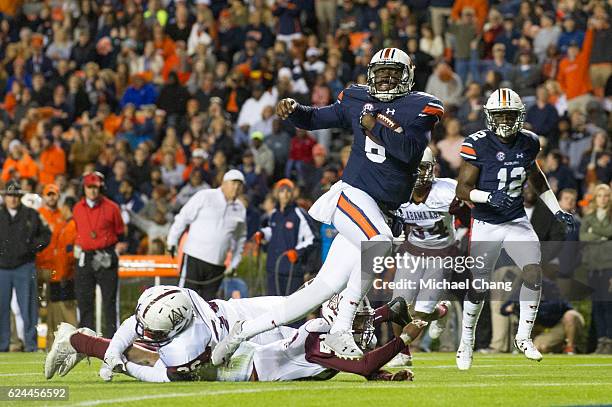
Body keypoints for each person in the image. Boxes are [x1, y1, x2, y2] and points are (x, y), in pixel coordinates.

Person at [212, 48, 444, 364]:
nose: (387, 80)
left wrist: (373, 125)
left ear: (408, 76)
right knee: (378, 244)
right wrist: (294, 111)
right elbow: (316, 118)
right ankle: (342, 327)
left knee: (321, 289)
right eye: (382, 73)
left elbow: (408, 151)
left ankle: (242, 331)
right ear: (371, 75)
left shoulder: (420, 106)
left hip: (379, 210)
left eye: (394, 74)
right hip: (353, 195)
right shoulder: (357, 99)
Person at [45, 285, 420, 383]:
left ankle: (83, 341)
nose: (360, 324)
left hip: (241, 336)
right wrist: (403, 339)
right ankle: (78, 340)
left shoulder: (187, 302)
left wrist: (381, 364)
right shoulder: (179, 326)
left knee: (143, 354)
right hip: (234, 361)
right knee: (144, 362)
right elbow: (358, 359)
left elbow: (353, 356)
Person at [454, 88, 576, 370]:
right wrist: (487, 197)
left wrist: (557, 209)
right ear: (490, 116)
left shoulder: (529, 142)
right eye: (501, 115)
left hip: (515, 219)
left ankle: (523, 336)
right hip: (486, 222)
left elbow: (538, 179)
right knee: (478, 286)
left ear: (520, 116)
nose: (506, 121)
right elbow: (462, 188)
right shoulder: (478, 144)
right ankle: (466, 339)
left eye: (511, 115)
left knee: (533, 269)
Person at [388, 148, 468, 367]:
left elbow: (472, 217)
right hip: (412, 251)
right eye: (414, 167)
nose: (419, 173)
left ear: (432, 168)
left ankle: (439, 312)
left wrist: (463, 212)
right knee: (397, 307)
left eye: (423, 167)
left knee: (420, 313)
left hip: (441, 255)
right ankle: (402, 353)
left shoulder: (448, 190)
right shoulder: (397, 192)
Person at [166, 170, 247, 300]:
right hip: (194, 258)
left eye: (240, 185)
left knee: (209, 306)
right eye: (233, 183)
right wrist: (172, 240)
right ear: (224, 183)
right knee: (185, 300)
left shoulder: (240, 209)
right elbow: (183, 217)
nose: (236, 188)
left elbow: (240, 239)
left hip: (218, 265)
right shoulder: (205, 196)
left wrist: (234, 263)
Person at [72, 172, 126, 338]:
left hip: (107, 255)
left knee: (110, 302)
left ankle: (112, 340)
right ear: (84, 188)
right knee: (84, 300)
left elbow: (121, 233)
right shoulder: (77, 208)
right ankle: (86, 341)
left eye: (96, 187)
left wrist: (117, 249)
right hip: (85, 256)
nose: (93, 191)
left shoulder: (112, 207)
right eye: (90, 187)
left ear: (101, 188)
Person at [0, 180, 51, 352]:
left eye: (15, 196)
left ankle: (31, 344)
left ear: (20, 197)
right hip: (2, 268)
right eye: (9, 195)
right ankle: (2, 344)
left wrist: (31, 248)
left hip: (25, 266)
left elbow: (46, 235)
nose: (12, 199)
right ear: (4, 197)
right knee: (1, 308)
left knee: (28, 307)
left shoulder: (31, 214)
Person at [255, 179, 316, 296]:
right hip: (273, 268)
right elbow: (273, 231)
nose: (285, 194)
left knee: (292, 309)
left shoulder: (299, 213)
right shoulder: (274, 214)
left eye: (288, 191)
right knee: (272, 305)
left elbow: (312, 238)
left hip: (292, 269)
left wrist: (297, 252)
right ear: (277, 193)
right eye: (282, 191)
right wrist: (262, 234)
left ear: (292, 194)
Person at [579, 184, 612, 354]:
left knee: (608, 304)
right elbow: (583, 236)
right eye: (599, 196)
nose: (603, 199)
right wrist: (604, 236)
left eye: (606, 195)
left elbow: (610, 230)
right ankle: (601, 342)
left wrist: (597, 232)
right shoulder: (588, 217)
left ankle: (610, 341)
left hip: (608, 266)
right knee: (597, 305)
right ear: (595, 198)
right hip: (592, 267)